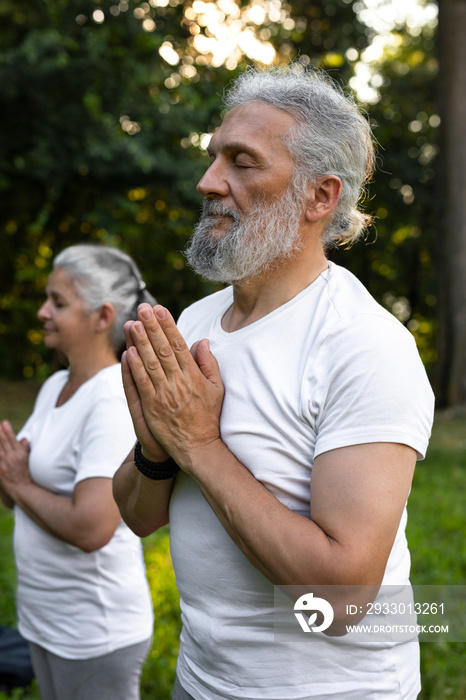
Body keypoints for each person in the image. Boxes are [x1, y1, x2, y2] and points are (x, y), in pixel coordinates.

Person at [113, 65, 435, 700]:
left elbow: (344, 600)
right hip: (200, 681)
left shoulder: (365, 346)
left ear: (319, 197)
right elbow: (138, 516)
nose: (208, 182)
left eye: (243, 162)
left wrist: (200, 446)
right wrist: (159, 447)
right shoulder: (194, 322)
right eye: (212, 158)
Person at [0, 244, 155, 700]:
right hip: (46, 621)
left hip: (94, 632)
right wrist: (13, 479)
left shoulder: (110, 399)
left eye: (59, 302)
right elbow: (12, 491)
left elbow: (92, 527)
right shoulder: (55, 386)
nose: (43, 311)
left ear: (102, 316)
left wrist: (21, 483)